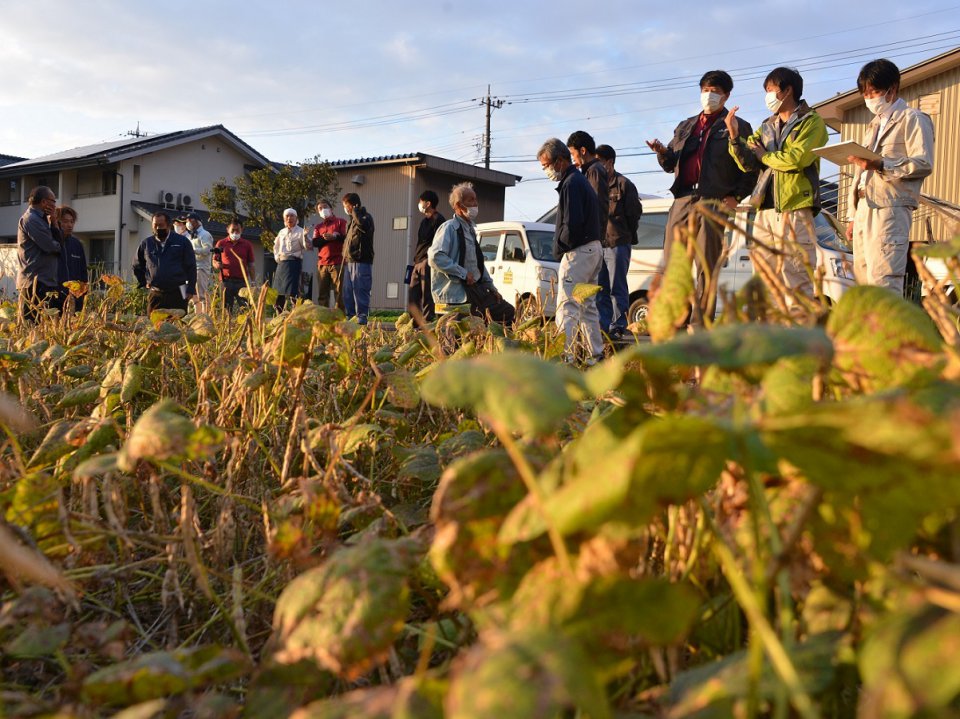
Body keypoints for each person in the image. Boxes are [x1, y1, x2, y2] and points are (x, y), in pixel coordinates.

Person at [647, 70, 756, 321]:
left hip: (713, 201)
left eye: (715, 91)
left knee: (706, 265)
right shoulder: (686, 126)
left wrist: (737, 196)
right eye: (705, 90)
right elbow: (669, 164)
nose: (709, 96)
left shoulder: (739, 126)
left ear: (727, 95)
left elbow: (751, 167)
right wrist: (662, 152)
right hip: (683, 200)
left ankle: (700, 325)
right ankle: (676, 321)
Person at [727, 66, 828, 301]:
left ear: (788, 90)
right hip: (765, 209)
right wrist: (734, 138)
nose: (768, 96)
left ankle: (796, 337)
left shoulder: (811, 122)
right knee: (764, 279)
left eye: (771, 89)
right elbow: (748, 163)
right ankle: (770, 335)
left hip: (795, 208)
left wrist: (765, 156)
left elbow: (797, 159)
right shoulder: (766, 126)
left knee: (796, 278)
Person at [846, 59, 935, 295]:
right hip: (865, 206)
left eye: (874, 91)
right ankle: (869, 333)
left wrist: (882, 164)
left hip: (891, 207)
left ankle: (889, 332)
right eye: (866, 93)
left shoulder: (914, 118)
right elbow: (861, 173)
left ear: (892, 88)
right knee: (863, 282)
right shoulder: (872, 126)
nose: (870, 98)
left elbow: (923, 163)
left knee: (884, 279)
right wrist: (852, 215)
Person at [538, 138, 604, 365]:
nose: (546, 170)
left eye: (547, 164)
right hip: (593, 249)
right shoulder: (578, 180)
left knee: (568, 305)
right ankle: (594, 356)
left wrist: (561, 248)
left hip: (578, 253)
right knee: (586, 306)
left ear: (560, 160)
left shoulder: (570, 183)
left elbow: (571, 224)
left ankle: (563, 358)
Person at [428, 182, 511, 324]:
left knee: (506, 312)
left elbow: (478, 265)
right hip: (456, 293)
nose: (475, 203)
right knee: (458, 334)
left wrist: (491, 287)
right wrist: (463, 273)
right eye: (471, 200)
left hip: (474, 290)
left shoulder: (470, 230)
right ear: (459, 205)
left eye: (475, 199)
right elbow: (435, 257)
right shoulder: (449, 228)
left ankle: (489, 345)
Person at [596, 144, 642, 339]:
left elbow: (635, 213)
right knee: (600, 289)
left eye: (600, 162)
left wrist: (624, 233)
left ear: (610, 162)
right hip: (598, 245)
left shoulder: (624, 184)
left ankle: (618, 326)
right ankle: (602, 326)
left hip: (618, 244)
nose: (597, 166)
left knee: (617, 288)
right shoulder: (594, 184)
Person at [133, 211, 197, 314]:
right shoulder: (147, 244)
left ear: (168, 225)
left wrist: (190, 289)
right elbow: (136, 265)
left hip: (179, 291)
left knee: (178, 326)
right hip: (156, 292)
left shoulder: (182, 242)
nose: (158, 228)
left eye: (161, 225)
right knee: (154, 326)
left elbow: (191, 266)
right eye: (155, 225)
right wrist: (144, 282)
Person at [16, 186, 62, 322]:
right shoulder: (32, 220)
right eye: (53, 201)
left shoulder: (41, 220)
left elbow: (58, 245)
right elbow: (52, 247)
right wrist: (55, 230)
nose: (55, 205)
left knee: (45, 329)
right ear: (44, 202)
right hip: (34, 285)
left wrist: (54, 222)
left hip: (44, 283)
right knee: (33, 328)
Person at [409, 190, 446, 322]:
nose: (419, 204)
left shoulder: (439, 220)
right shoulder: (424, 221)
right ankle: (415, 323)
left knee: (426, 296)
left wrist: (429, 260)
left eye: (421, 201)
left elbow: (439, 244)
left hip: (428, 262)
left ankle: (427, 324)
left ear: (428, 203)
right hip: (417, 261)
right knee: (413, 295)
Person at [341, 192, 375, 325]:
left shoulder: (365, 217)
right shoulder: (351, 221)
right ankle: (350, 317)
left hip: (361, 260)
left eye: (346, 206)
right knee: (348, 292)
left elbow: (363, 226)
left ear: (353, 205)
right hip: (350, 260)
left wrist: (355, 211)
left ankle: (361, 318)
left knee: (361, 289)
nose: (346, 209)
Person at [272, 208, 310, 313]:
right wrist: (277, 258)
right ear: (284, 219)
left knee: (294, 292)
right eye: (287, 216)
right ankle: (279, 315)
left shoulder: (301, 231)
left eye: (292, 216)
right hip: (281, 264)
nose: (289, 218)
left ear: (296, 218)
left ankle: (296, 315)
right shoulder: (281, 232)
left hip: (294, 263)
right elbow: (276, 247)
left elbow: (307, 247)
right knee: (279, 292)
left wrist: (306, 237)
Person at [213, 218, 255, 312]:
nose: (235, 233)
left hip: (242, 282)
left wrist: (253, 282)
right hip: (226, 281)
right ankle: (228, 325)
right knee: (226, 310)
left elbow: (251, 264)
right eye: (233, 230)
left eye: (237, 230)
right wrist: (217, 265)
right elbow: (214, 261)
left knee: (245, 309)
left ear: (242, 230)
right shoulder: (221, 243)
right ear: (227, 229)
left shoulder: (247, 244)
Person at [311, 199, 346, 309]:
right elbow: (315, 242)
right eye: (320, 209)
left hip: (337, 262)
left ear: (331, 209)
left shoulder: (341, 222)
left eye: (325, 207)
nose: (323, 210)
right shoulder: (318, 227)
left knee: (339, 293)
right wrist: (327, 238)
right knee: (322, 294)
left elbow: (345, 237)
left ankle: (340, 319)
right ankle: (324, 320)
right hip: (322, 263)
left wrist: (335, 237)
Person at [54, 206, 88, 313]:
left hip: (75, 299)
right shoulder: (51, 243)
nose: (69, 225)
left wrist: (83, 295)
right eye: (65, 221)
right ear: (57, 222)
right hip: (56, 298)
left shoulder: (77, 244)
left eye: (72, 221)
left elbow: (83, 273)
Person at [184, 213, 214, 312]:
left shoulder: (205, 234)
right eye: (187, 221)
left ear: (198, 222)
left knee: (202, 293)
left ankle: (206, 316)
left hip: (201, 267)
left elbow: (207, 250)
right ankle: (195, 315)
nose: (188, 223)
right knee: (190, 294)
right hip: (191, 267)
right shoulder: (190, 235)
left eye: (191, 221)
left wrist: (193, 250)